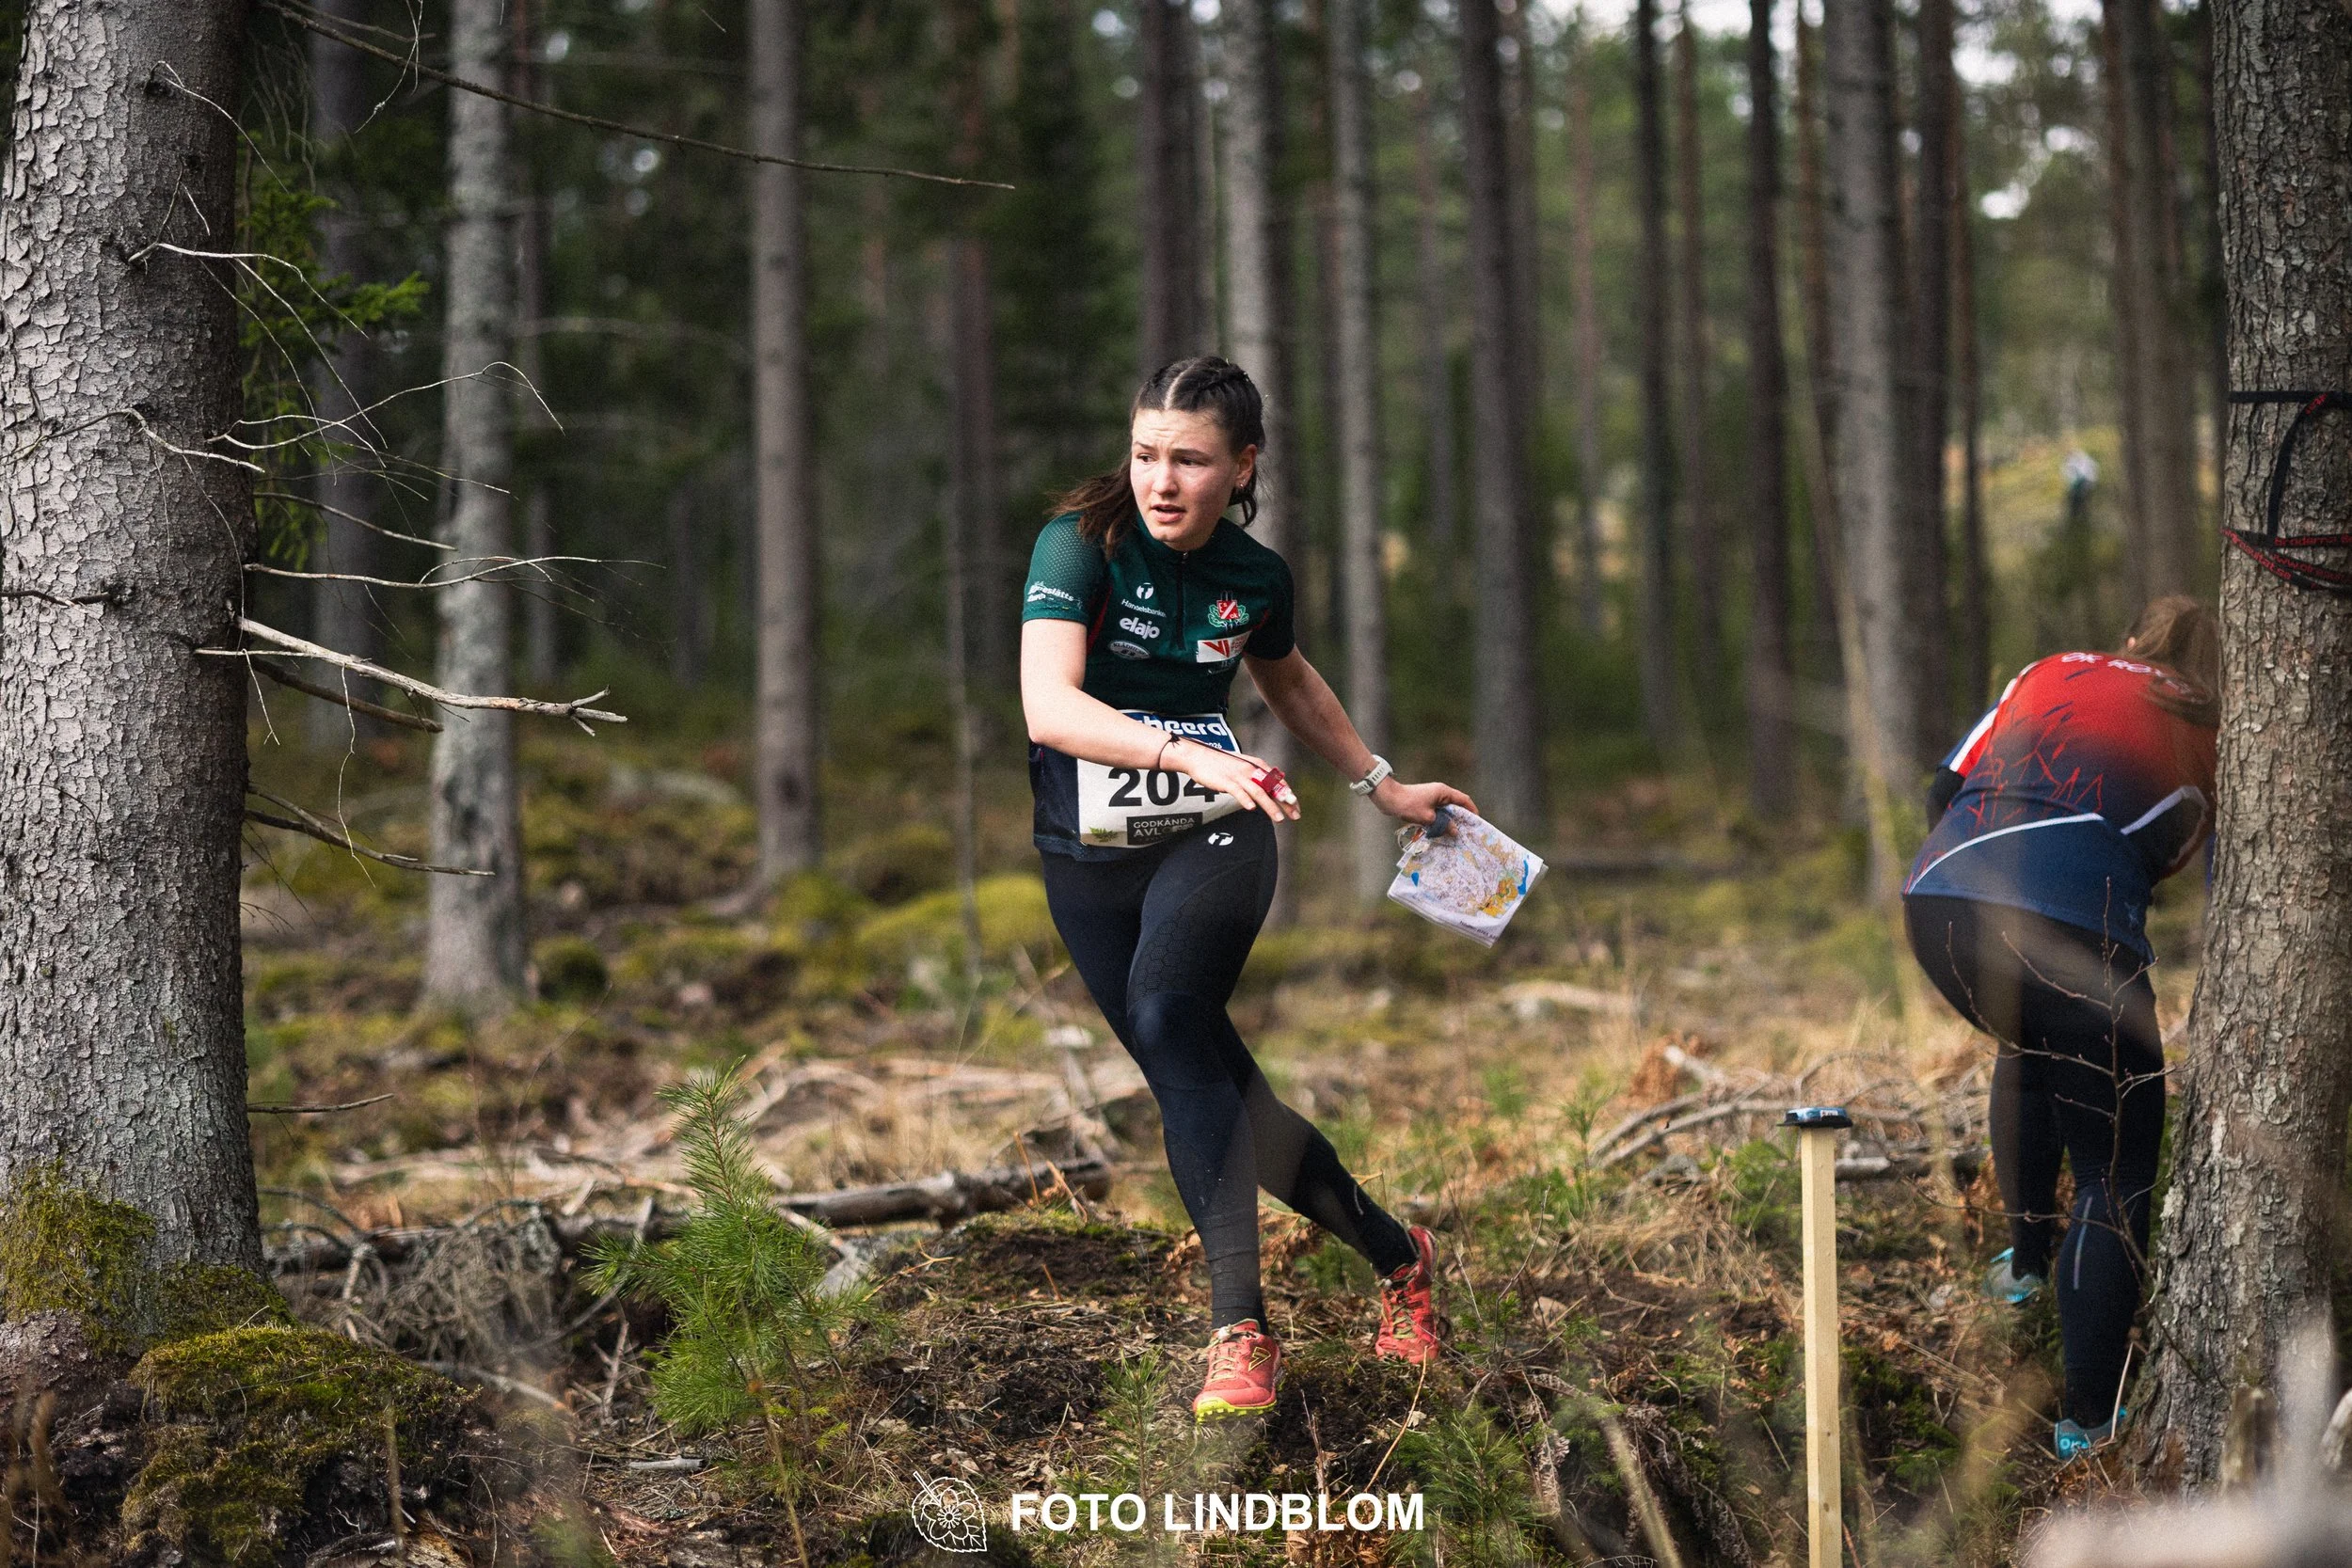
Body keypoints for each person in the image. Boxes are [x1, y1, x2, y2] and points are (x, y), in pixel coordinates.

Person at [1020, 356, 1473, 1419]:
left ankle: (1242, 1330)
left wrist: (1379, 783)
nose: (1160, 481)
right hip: (1086, 854)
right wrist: (1183, 752)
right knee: (1222, 1095)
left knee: (1171, 1012)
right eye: (1144, 454)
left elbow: (1287, 676)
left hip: (1221, 831)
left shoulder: (1251, 576)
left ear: (1242, 466)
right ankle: (1400, 1255)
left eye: (1188, 460)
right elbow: (1049, 704)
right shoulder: (1078, 548)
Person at [1902, 596, 2220, 1462]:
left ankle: (2025, 1264)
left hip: (1939, 902)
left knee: (2031, 1039)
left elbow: (1943, 785)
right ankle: (2089, 1424)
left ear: (2132, 640)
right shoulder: (2211, 721)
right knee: (2116, 1171)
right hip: (2076, 931)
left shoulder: (2047, 669)